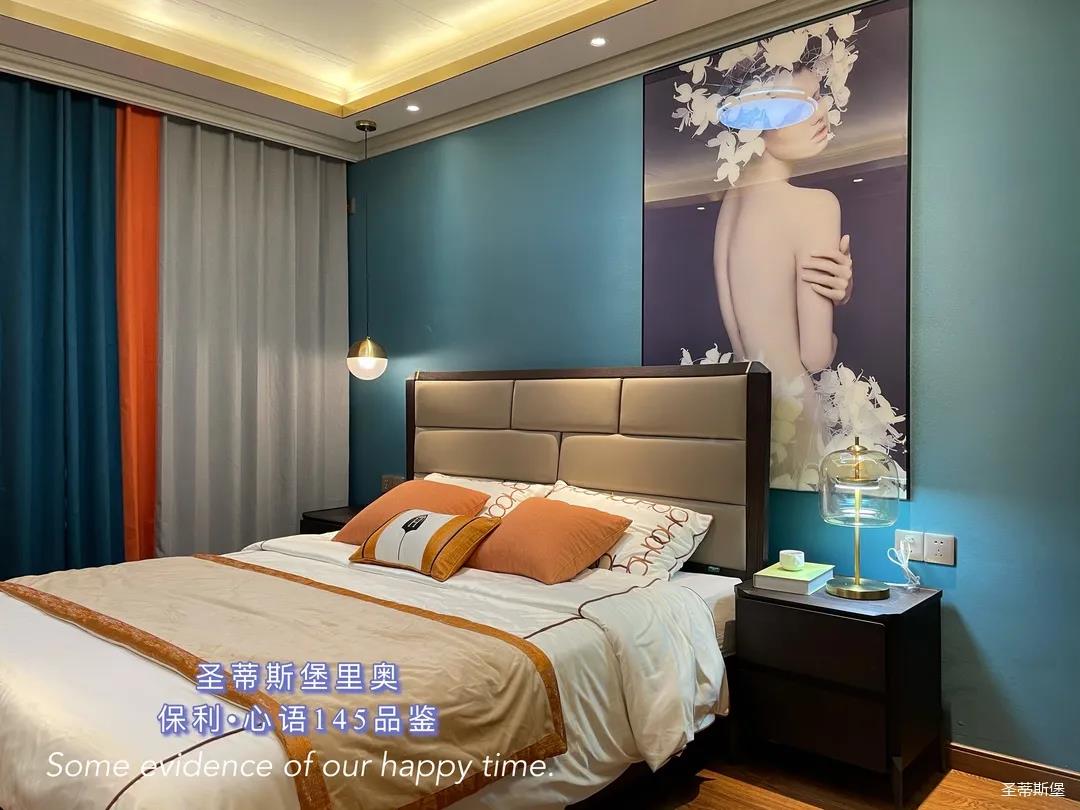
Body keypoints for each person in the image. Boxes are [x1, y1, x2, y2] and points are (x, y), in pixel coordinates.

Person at [712, 68, 854, 486]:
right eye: (796, 104)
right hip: (795, 415)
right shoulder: (816, 206)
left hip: (747, 412)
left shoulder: (732, 201)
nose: (820, 112)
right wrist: (838, 308)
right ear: (754, 121)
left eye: (819, 95)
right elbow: (816, 355)